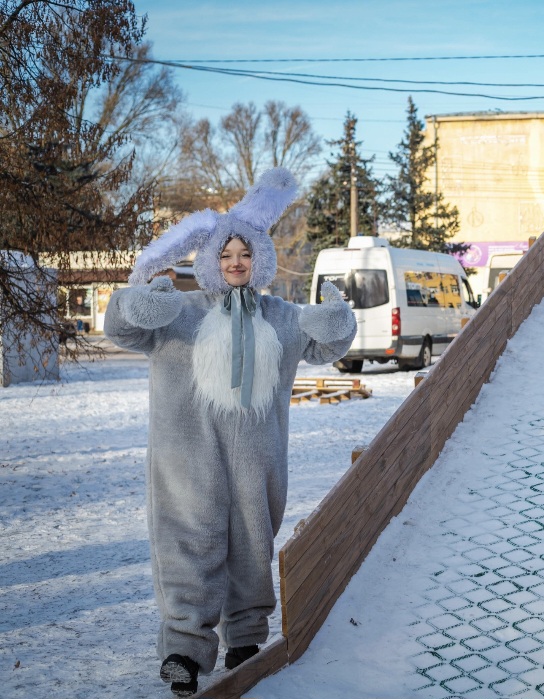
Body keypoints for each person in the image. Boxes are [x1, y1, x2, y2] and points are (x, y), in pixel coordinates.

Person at [104, 168, 357, 697]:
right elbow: (124, 330)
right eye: (225, 254)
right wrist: (135, 303)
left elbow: (326, 345)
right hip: (185, 460)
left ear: (260, 259)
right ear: (209, 261)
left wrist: (337, 319)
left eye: (244, 253)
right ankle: (183, 649)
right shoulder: (180, 313)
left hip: (255, 461)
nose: (235, 262)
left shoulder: (280, 316)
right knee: (187, 543)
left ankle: (245, 636)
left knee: (251, 543)